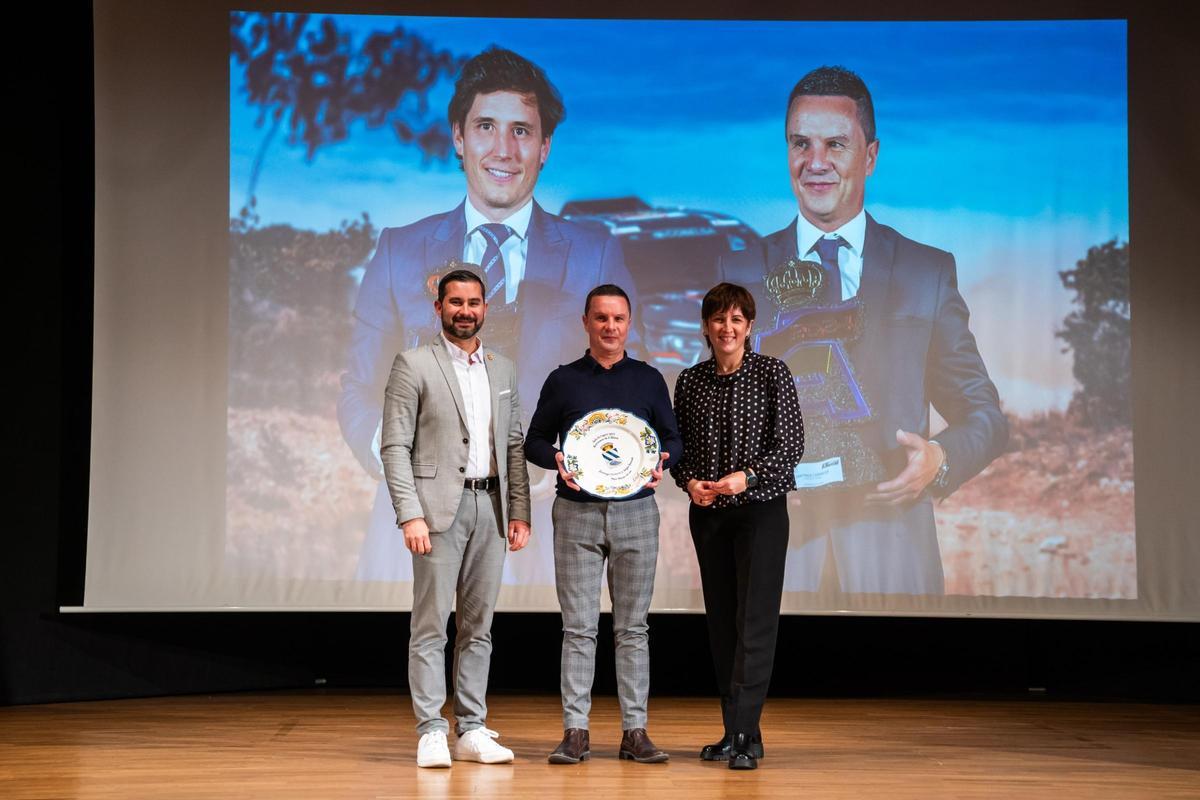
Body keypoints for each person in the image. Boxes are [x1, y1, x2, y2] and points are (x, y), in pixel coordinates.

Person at [339, 46, 636, 581]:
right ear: (459, 137)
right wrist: (401, 466)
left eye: (522, 131)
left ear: (545, 147)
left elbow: (627, 386)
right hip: (418, 523)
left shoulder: (595, 253)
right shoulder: (398, 251)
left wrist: (571, 462)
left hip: (548, 527)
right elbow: (358, 391)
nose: (504, 148)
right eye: (486, 127)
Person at [721, 65, 1008, 595]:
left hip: (893, 557)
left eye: (836, 144)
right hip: (773, 558)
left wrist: (940, 461)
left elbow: (984, 415)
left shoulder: (927, 271)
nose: (816, 163)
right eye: (800, 144)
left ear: (871, 155)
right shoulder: (738, 274)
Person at [524, 284, 683, 765]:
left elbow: (671, 439)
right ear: (586, 323)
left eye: (618, 319)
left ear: (628, 324)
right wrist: (556, 457)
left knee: (633, 628)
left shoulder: (649, 379)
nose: (609, 327)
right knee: (579, 628)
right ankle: (576, 731)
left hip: (636, 510)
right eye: (601, 318)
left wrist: (663, 461)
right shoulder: (563, 380)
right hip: (576, 512)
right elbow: (533, 440)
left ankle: (635, 731)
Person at [380, 268, 531, 768]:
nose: (465, 310)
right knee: (430, 627)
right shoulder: (413, 364)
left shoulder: (504, 369)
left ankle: (471, 728)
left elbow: (512, 445)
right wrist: (409, 515)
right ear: (439, 308)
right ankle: (430, 729)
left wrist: (520, 512)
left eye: (474, 302)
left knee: (479, 627)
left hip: (490, 507)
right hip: (436, 510)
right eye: (456, 302)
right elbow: (394, 446)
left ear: (486, 308)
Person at [671, 282, 804, 770]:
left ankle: (746, 732)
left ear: (750, 327)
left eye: (737, 320)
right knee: (722, 623)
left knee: (755, 621)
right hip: (708, 515)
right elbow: (677, 449)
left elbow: (790, 446)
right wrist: (690, 483)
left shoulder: (772, 373)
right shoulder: (690, 380)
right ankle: (736, 731)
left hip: (760, 512)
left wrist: (743, 478)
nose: (727, 328)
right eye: (719, 319)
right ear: (706, 326)